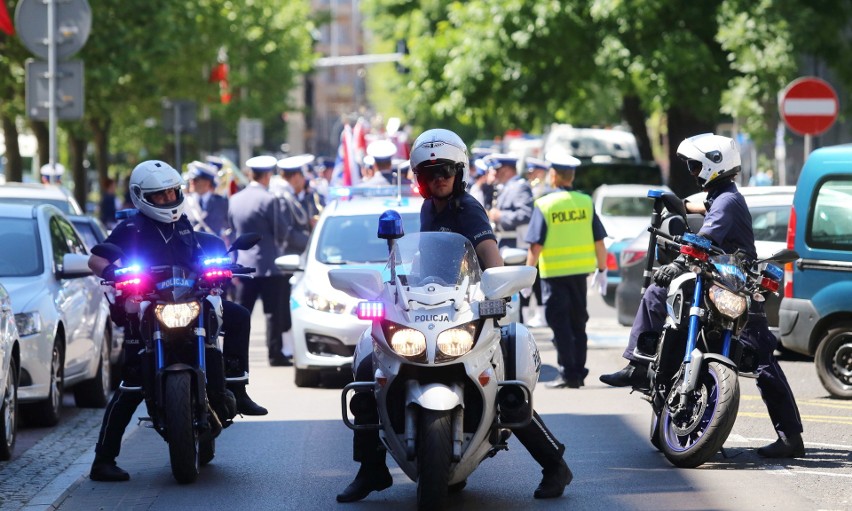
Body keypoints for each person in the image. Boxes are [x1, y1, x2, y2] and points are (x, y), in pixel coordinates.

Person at [337, 129, 571, 504]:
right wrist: (395, 287)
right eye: (429, 174)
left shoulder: (469, 209)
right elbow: (427, 259)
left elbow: (490, 261)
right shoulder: (430, 208)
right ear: (419, 179)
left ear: (459, 172)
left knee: (505, 382)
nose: (438, 179)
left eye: (445, 171)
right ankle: (371, 468)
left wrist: (497, 291)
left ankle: (554, 464)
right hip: (434, 307)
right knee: (369, 366)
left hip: (469, 306)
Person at [599, 133, 804, 458]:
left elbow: (707, 236)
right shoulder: (723, 195)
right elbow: (698, 207)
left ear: (712, 164)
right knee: (662, 300)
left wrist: (679, 262)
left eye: (696, 165)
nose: (693, 170)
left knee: (760, 360)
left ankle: (636, 365)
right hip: (716, 284)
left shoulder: (727, 201)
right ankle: (643, 368)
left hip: (734, 288)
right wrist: (673, 203)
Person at [87, 160, 267, 482]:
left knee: (237, 315)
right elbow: (96, 258)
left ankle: (237, 388)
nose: (168, 199)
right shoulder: (130, 229)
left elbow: (206, 250)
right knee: (131, 384)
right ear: (143, 197)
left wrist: (223, 265)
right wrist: (112, 272)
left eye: (172, 192)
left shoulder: (183, 225)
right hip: (147, 308)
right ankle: (103, 460)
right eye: (160, 195)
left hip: (189, 300)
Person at [524, 150, 608, 388]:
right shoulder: (585, 202)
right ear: (570, 176)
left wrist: (527, 277)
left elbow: (535, 245)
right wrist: (602, 270)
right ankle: (578, 372)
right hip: (580, 274)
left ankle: (568, 373)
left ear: (554, 175)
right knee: (578, 323)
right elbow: (599, 241)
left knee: (559, 324)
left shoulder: (545, 204)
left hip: (554, 276)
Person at [228, 155, 295, 367]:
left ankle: (234, 355)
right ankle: (275, 354)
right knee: (272, 314)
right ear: (267, 175)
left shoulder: (235, 199)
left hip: (243, 266)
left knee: (241, 312)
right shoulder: (269, 199)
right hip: (269, 266)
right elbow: (281, 231)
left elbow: (231, 232)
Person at [185, 161, 230, 240]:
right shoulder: (186, 201)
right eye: (191, 179)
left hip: (215, 248)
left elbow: (230, 227)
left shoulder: (222, 202)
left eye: (195, 180)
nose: (191, 182)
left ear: (207, 182)